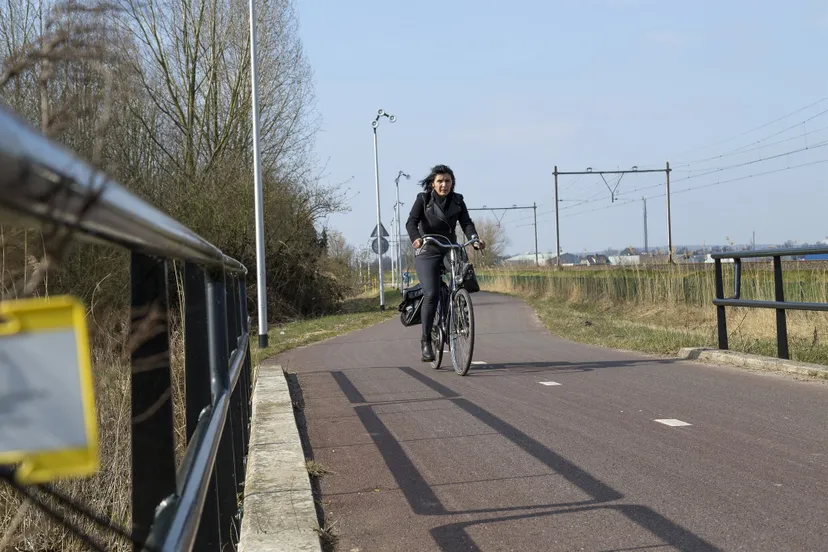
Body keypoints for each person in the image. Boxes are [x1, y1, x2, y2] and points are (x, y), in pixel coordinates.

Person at [405, 164, 486, 362]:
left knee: (462, 281)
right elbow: (411, 222)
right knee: (431, 294)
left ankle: (459, 316)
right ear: (433, 184)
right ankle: (426, 341)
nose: (444, 185)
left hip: (450, 248)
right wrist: (416, 238)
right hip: (428, 249)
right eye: (440, 181)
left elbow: (466, 223)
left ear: (452, 183)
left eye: (447, 181)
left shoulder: (458, 200)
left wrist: (474, 239)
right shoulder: (423, 199)